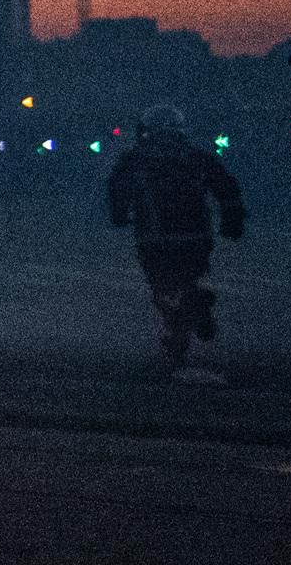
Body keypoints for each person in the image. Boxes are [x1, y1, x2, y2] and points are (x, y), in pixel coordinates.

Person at [105, 107, 246, 383]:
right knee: (188, 279)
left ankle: (182, 326)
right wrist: (232, 221)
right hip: (196, 237)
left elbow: (117, 190)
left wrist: (119, 215)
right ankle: (193, 304)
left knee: (163, 288)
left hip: (154, 238)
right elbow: (227, 188)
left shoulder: (135, 159)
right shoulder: (196, 158)